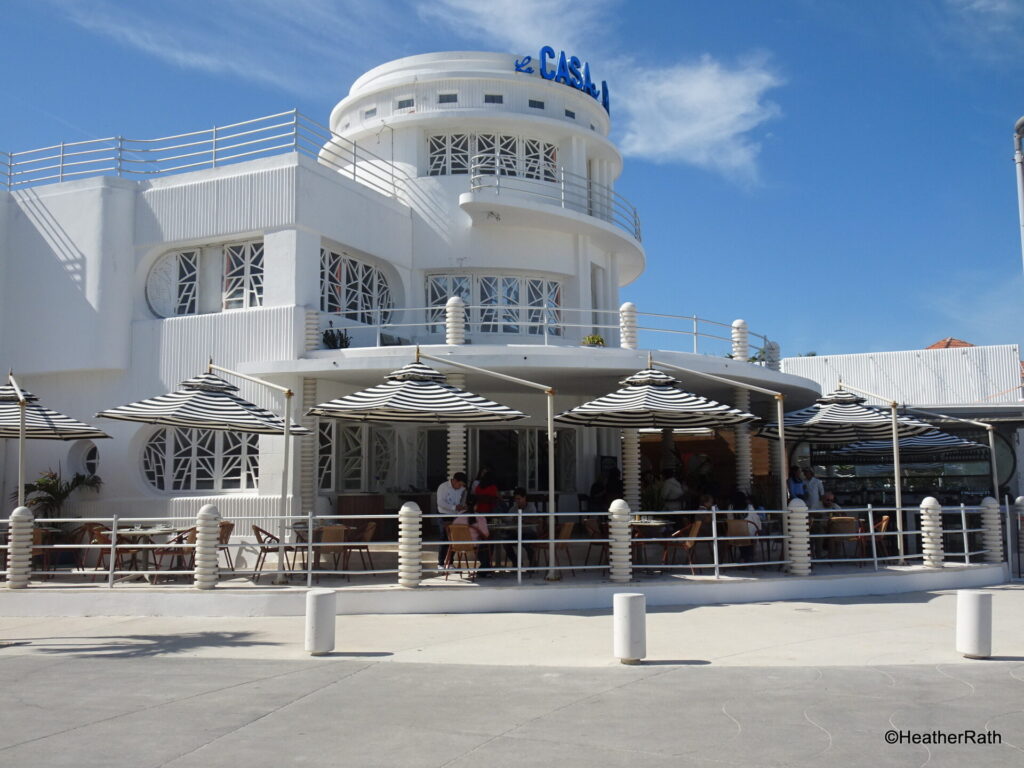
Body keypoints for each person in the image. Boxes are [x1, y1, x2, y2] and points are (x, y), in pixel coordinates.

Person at [436, 472, 468, 570]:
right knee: (444, 538)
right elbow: (440, 502)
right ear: (454, 480)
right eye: (459, 484)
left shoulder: (462, 489)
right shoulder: (443, 487)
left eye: (462, 485)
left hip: (455, 515)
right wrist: (454, 507)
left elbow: (462, 502)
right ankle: (441, 563)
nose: (460, 487)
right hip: (443, 515)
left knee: (455, 539)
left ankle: (450, 562)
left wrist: (463, 508)